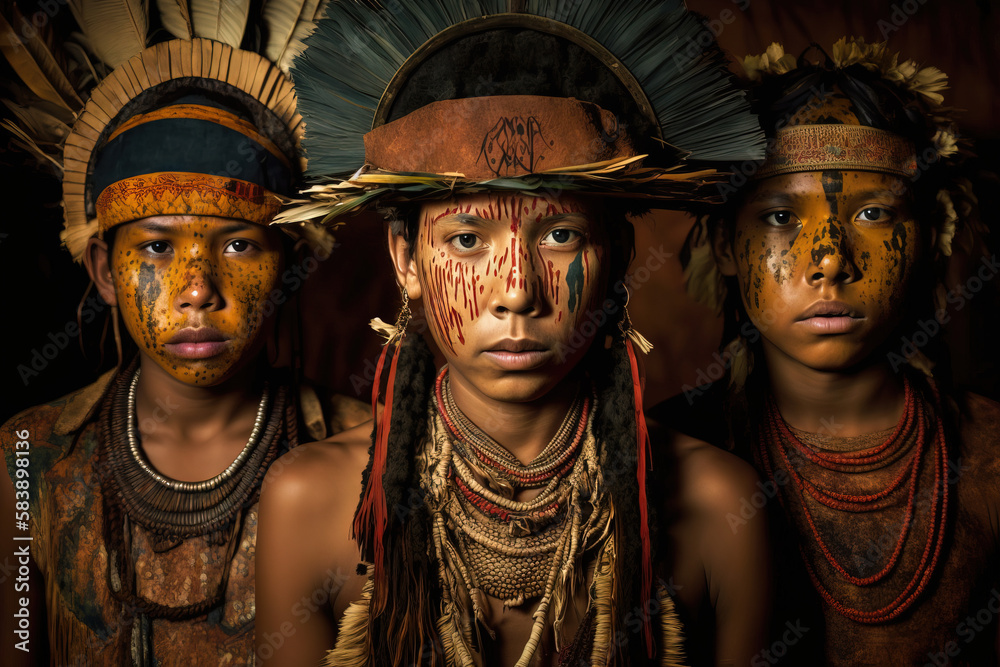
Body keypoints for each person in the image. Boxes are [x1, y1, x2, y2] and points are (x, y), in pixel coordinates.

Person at [256, 2, 771, 665]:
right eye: (467, 239)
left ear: (615, 253)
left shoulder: (721, 508)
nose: (517, 289)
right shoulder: (307, 503)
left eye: (559, 234)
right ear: (406, 259)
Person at [0, 13, 350, 663]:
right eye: (158, 247)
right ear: (105, 269)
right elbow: (18, 637)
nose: (197, 289)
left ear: (288, 263)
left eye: (239, 244)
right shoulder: (27, 458)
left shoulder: (363, 451)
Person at [660, 39, 1000, 666]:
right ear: (727, 247)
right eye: (781, 217)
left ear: (930, 239)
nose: (830, 259)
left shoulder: (990, 458)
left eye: (873, 213)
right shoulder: (665, 461)